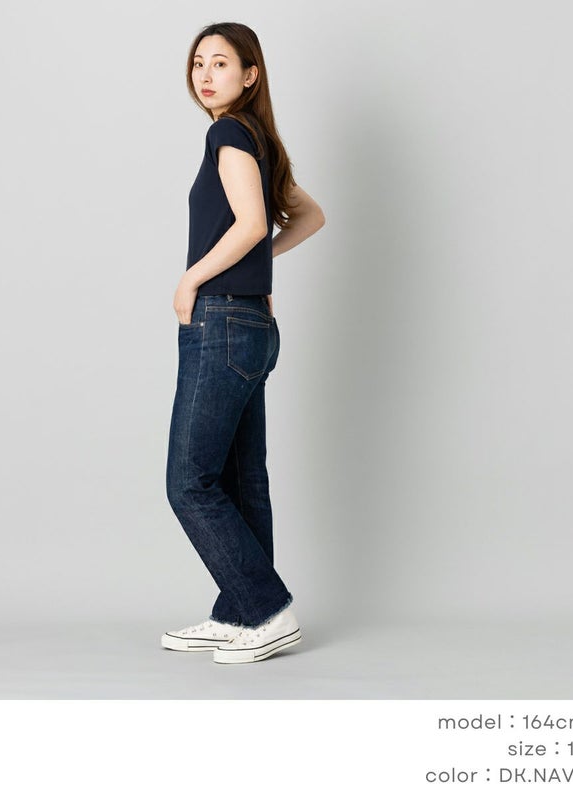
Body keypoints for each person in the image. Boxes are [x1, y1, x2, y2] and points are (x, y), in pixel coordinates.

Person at [162, 22, 325, 664]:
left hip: (223, 322)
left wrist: (192, 278)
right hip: (252, 322)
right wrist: (255, 269)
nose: (205, 75)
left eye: (221, 63)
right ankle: (239, 614)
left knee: (190, 482)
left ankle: (265, 609)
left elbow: (254, 224)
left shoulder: (228, 134)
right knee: (240, 477)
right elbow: (309, 217)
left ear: (250, 75)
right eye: (198, 62)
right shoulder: (262, 140)